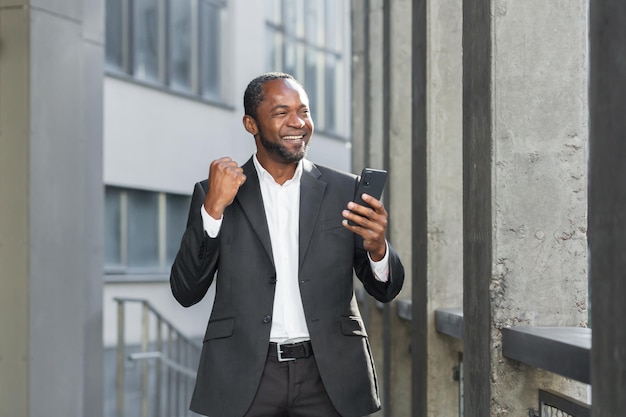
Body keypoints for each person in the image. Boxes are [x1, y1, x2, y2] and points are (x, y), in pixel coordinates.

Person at [170, 72, 404, 417]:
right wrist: (213, 211)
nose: (298, 123)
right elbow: (186, 291)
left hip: (329, 377)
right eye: (282, 113)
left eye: (304, 111)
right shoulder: (214, 193)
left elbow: (385, 290)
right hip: (246, 376)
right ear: (251, 124)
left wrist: (379, 249)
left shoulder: (344, 191)